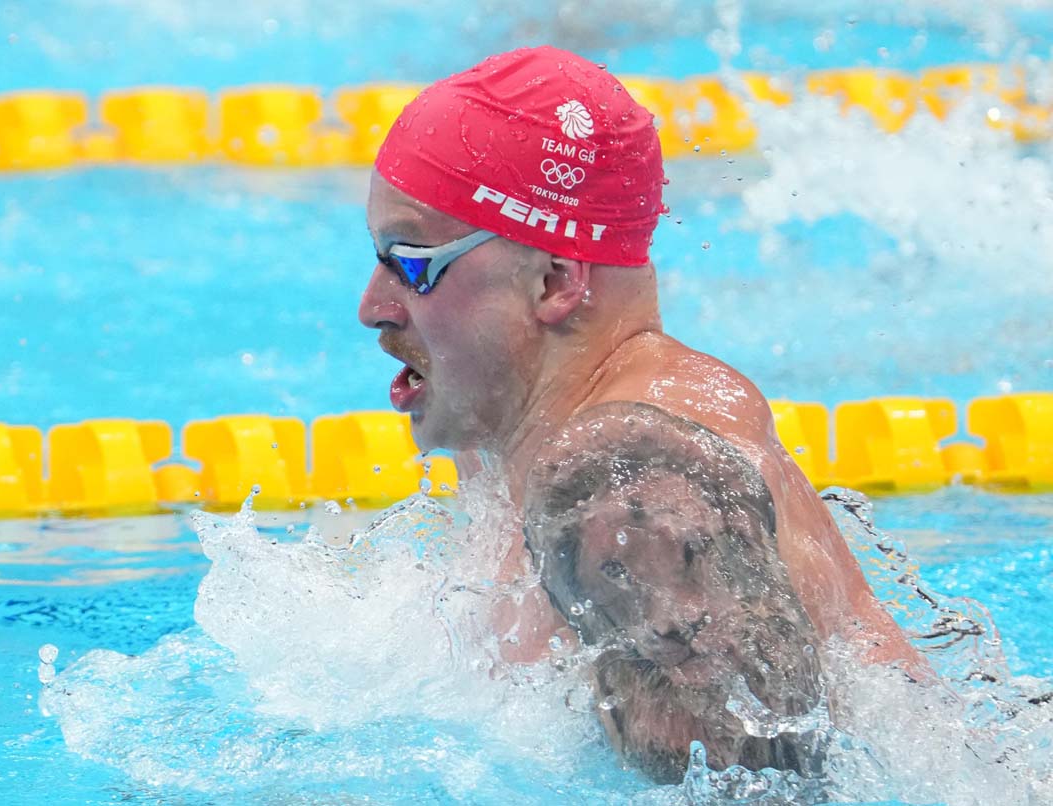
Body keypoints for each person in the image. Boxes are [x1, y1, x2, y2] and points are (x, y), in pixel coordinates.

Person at [357, 45, 918, 781]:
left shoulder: (628, 485)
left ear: (555, 279)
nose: (372, 307)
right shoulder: (515, 416)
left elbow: (760, 794)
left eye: (412, 260)